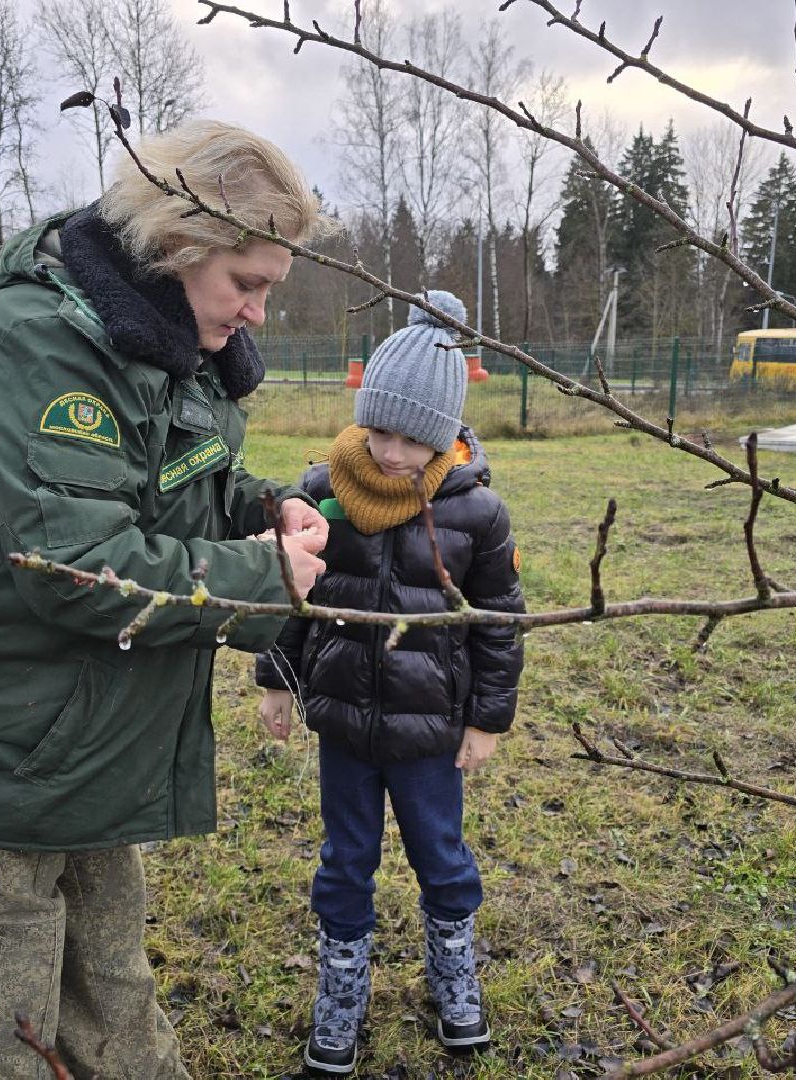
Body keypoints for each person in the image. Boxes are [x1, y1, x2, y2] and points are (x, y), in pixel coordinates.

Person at [0, 120, 332, 1080]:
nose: (260, 312)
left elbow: (170, 474)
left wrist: (263, 507)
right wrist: (261, 576)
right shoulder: (43, 348)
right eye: (247, 283)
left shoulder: (159, 343)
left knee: (112, 989)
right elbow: (75, 563)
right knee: (10, 1032)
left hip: (74, 740)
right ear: (177, 246)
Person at [255, 290, 526, 1075]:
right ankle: (341, 988)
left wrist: (486, 719)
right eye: (379, 431)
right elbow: (291, 594)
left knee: (441, 855)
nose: (391, 452)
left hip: (430, 731)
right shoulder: (321, 493)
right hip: (343, 724)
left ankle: (453, 974)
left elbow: (499, 623)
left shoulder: (477, 513)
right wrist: (277, 679)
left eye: (412, 437)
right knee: (345, 860)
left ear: (444, 432)